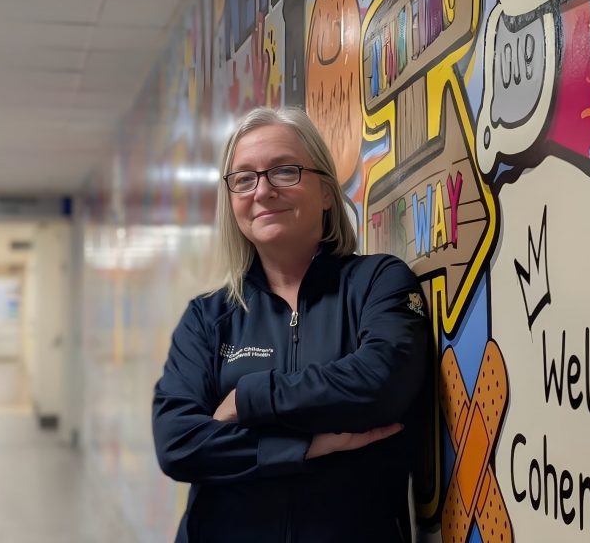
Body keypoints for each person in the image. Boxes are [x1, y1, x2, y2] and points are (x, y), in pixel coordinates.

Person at [152, 106, 430, 542]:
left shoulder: (378, 283)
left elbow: (381, 382)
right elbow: (178, 444)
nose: (262, 191)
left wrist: (249, 398)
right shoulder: (208, 318)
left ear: (324, 191)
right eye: (244, 178)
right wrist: (307, 445)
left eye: (284, 171)